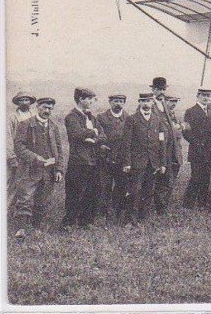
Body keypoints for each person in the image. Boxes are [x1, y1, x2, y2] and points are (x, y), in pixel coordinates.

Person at [13, 97, 64, 237]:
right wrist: (35, 158)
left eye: (50, 108)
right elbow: (19, 147)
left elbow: (59, 150)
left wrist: (59, 169)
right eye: (44, 108)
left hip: (48, 171)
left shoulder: (53, 127)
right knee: (25, 198)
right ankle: (21, 229)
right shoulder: (25, 124)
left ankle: (37, 228)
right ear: (37, 107)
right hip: (29, 170)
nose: (47, 111)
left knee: (43, 200)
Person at [63, 87, 107, 229]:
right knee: (74, 192)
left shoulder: (92, 117)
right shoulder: (71, 117)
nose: (92, 102)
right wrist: (93, 132)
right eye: (89, 99)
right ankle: (68, 222)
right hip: (79, 161)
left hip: (94, 160)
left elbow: (103, 136)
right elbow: (76, 134)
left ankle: (86, 221)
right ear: (81, 99)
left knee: (92, 191)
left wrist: (93, 137)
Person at [120, 93, 167, 225]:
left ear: (152, 103)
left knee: (149, 190)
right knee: (134, 190)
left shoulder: (158, 120)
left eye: (148, 101)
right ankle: (130, 218)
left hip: (153, 162)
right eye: (143, 101)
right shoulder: (132, 119)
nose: (146, 104)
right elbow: (126, 143)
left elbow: (162, 142)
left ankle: (143, 217)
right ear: (139, 102)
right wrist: (127, 162)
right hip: (137, 162)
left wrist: (162, 163)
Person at [96, 93, 129, 221]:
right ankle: (102, 212)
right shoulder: (101, 117)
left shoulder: (128, 118)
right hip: (106, 158)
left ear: (124, 103)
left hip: (122, 158)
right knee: (104, 185)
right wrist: (102, 146)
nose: (118, 103)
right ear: (110, 102)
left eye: (121, 101)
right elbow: (98, 135)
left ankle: (117, 210)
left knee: (121, 185)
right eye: (115, 101)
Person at [150, 76, 179, 214]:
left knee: (167, 177)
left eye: (163, 89)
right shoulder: (149, 104)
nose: (161, 92)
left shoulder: (165, 105)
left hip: (168, 147)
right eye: (158, 89)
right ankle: (151, 207)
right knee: (154, 177)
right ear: (153, 90)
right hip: (156, 147)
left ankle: (161, 207)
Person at [182, 88, 211, 208]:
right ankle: (188, 203)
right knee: (196, 177)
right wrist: (197, 143)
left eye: (208, 95)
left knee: (206, 177)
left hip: (209, 150)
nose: (206, 98)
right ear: (198, 96)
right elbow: (186, 132)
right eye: (203, 95)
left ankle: (202, 202)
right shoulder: (190, 111)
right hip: (196, 150)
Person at [7, 91, 37, 214]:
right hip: (17, 156)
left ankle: (24, 214)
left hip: (31, 155)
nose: (24, 102)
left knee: (30, 184)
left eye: (26, 100)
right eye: (21, 100)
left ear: (30, 102)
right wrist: (12, 157)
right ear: (17, 103)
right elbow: (8, 137)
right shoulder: (12, 117)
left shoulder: (34, 115)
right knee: (13, 185)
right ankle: (6, 213)